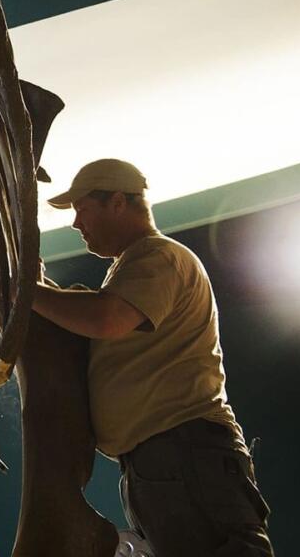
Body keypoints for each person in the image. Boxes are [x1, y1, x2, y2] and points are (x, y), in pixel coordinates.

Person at [33, 158, 273, 557]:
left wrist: (27, 292)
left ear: (116, 202)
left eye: (82, 208)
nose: (76, 223)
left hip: (183, 451)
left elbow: (107, 318)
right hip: (165, 460)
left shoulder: (157, 257)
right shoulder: (132, 266)